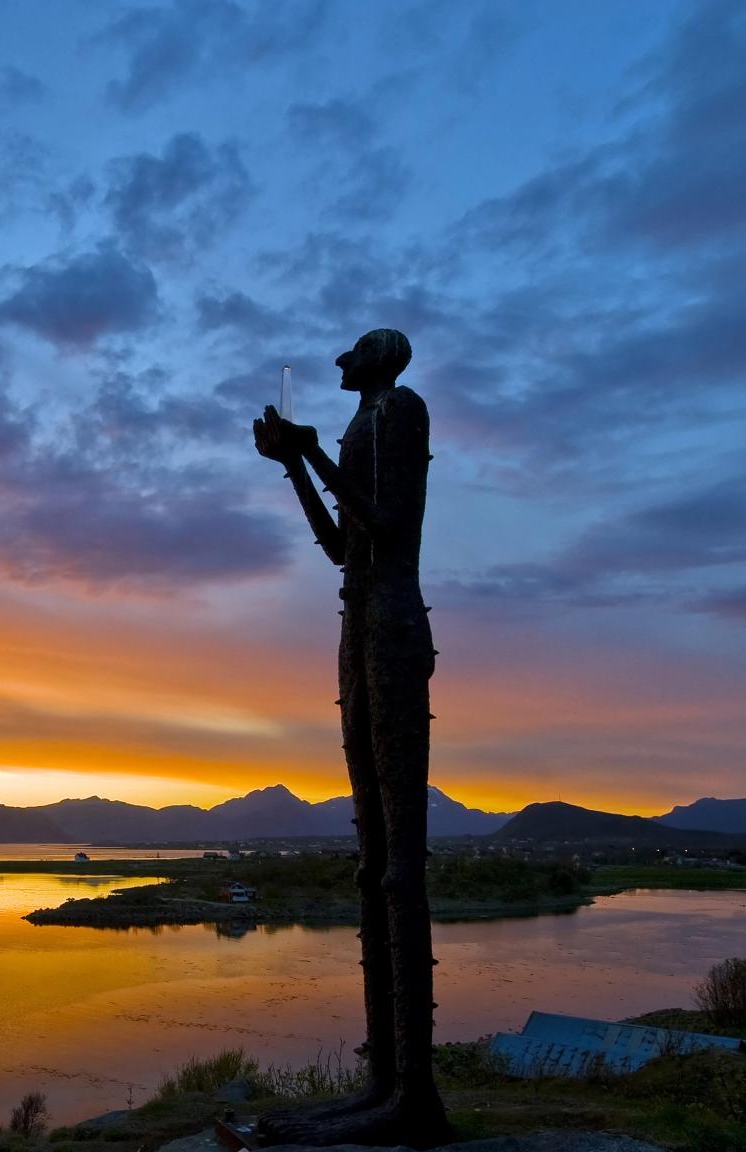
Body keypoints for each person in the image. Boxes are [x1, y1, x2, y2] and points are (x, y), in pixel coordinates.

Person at [251, 328, 450, 1148]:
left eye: (351, 353)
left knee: (401, 862)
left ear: (384, 359)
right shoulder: (359, 427)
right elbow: (343, 547)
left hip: (395, 623)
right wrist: (296, 465)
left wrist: (313, 454)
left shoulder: (401, 410)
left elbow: (390, 520)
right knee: (371, 855)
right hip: (357, 623)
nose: (336, 364)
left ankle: (413, 1094)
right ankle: (380, 1081)